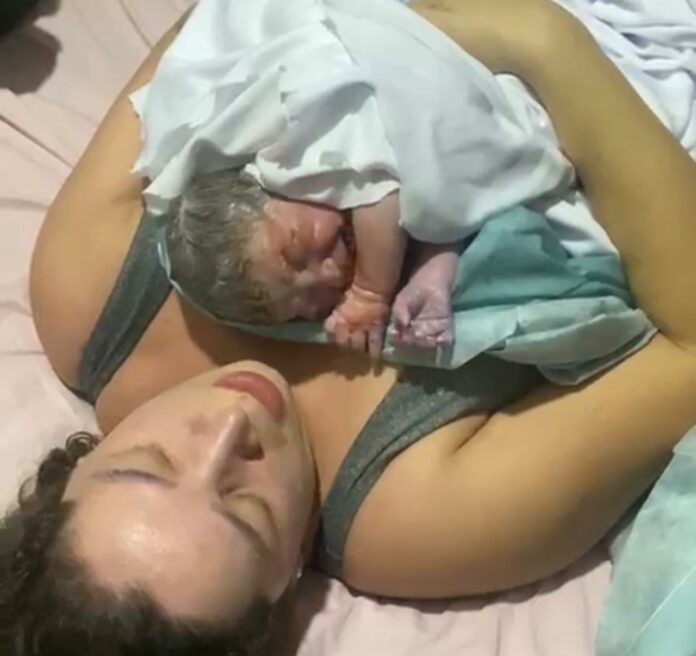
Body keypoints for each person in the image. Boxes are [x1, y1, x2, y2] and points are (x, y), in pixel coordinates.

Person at [2, 0, 696, 654]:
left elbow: (226, 31)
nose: (231, 426)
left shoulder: (87, 289)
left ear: (73, 470)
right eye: (246, 510)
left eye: (147, 462)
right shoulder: (417, 519)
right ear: (285, 584)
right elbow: (689, 346)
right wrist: (543, 42)